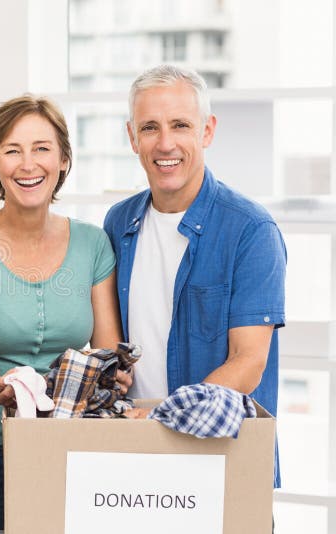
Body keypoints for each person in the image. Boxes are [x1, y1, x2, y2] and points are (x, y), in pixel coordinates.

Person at [0, 95, 128, 530]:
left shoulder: (92, 245)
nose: (28, 164)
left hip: (71, 450)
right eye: (12, 150)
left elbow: (108, 349)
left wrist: (116, 372)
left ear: (63, 160)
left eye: (42, 148)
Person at [103, 65, 286, 489]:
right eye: (150, 127)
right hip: (136, 460)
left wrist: (165, 412)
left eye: (181, 125)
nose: (165, 143)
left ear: (207, 131)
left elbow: (248, 362)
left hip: (223, 462)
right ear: (132, 137)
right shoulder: (118, 223)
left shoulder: (251, 231)